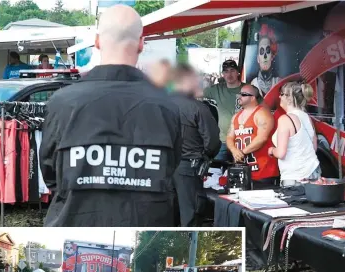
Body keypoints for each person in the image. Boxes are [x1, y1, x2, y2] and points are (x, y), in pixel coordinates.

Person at [40, 4, 182, 227]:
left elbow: (50, 173)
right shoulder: (168, 104)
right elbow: (171, 166)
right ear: (141, 43)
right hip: (144, 221)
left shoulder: (62, 102)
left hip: (74, 221)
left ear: (97, 42)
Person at [172, 63, 221, 227]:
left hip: (164, 167)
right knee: (190, 216)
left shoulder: (161, 104)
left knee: (170, 214)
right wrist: (205, 156)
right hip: (188, 168)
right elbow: (212, 141)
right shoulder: (198, 108)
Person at [268, 82, 321, 186]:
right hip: (313, 171)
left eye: (282, 94)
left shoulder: (285, 119)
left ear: (289, 98)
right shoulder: (306, 117)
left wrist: (272, 150)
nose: (279, 96)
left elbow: (281, 153)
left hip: (295, 176)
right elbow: (313, 147)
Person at [226, 84, 279, 186]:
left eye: (243, 94)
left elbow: (262, 138)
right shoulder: (236, 116)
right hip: (243, 171)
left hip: (264, 171)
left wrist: (241, 152)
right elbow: (229, 137)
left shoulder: (262, 113)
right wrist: (234, 150)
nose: (239, 96)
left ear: (253, 98)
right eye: (239, 94)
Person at [201, 60, 245, 162]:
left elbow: (263, 108)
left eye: (232, 70)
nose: (229, 74)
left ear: (238, 72)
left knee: (241, 172)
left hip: (242, 141)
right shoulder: (217, 89)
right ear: (223, 74)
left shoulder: (247, 89)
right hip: (223, 140)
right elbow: (196, 93)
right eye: (226, 71)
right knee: (218, 172)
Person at [251, 24, 280, 97]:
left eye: (268, 51)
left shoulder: (278, 82)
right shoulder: (253, 83)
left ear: (272, 57)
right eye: (261, 51)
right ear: (258, 58)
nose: (265, 56)